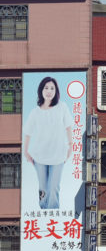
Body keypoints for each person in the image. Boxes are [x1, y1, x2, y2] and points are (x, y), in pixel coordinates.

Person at [22, 76, 73, 210]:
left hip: (58, 155)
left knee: (54, 187)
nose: (49, 91)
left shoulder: (62, 107)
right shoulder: (35, 112)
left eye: (52, 88)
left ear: (56, 91)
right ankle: (43, 212)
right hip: (39, 157)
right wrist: (25, 151)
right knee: (43, 188)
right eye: (46, 88)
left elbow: (68, 127)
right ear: (41, 90)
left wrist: (71, 146)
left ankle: (53, 215)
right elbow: (27, 132)